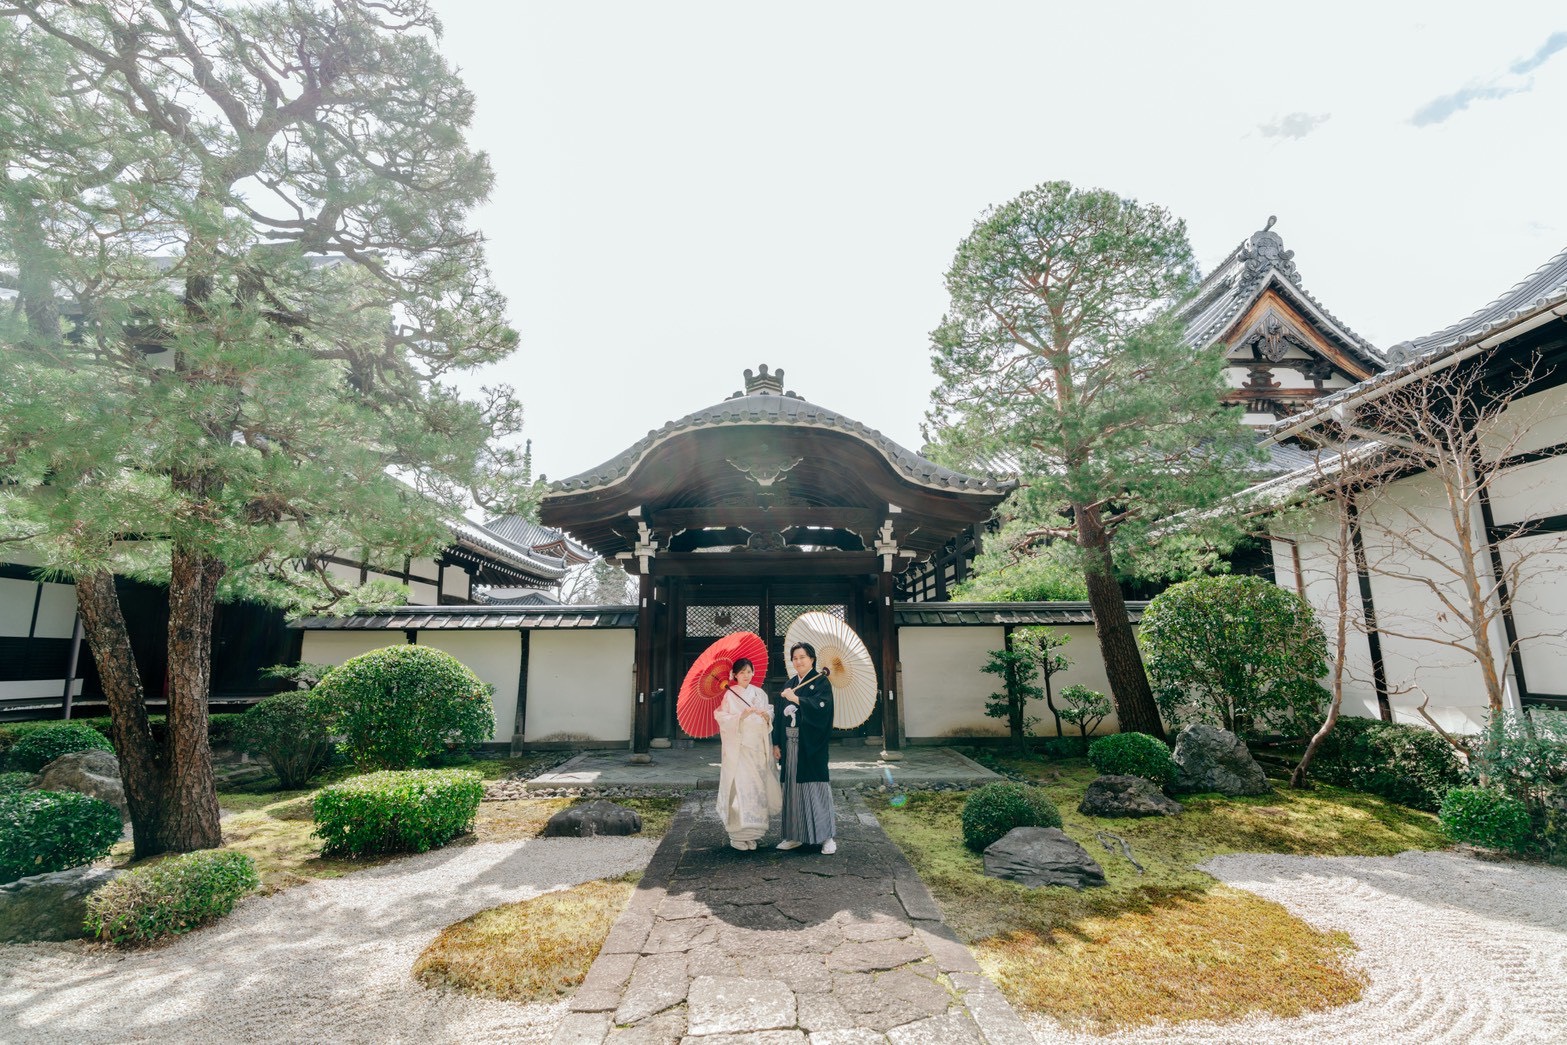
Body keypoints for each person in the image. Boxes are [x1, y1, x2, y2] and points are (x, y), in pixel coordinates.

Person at [772, 641, 836, 854]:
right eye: (795, 658)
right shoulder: (790, 683)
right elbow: (781, 716)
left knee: (815, 788)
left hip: (811, 745)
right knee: (791, 789)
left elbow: (823, 712)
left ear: (812, 659)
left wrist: (797, 699)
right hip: (790, 745)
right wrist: (777, 742)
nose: (798, 661)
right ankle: (794, 835)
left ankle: (826, 837)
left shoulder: (821, 683)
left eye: (802, 657)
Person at [713, 658, 781, 850]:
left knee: (756, 791)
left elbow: (769, 713)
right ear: (734, 675)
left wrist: (767, 716)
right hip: (740, 750)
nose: (746, 675)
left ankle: (752, 834)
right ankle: (737, 836)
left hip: (757, 749)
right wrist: (740, 716)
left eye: (749, 671)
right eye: (741, 672)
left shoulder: (759, 693)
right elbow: (722, 718)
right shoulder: (730, 695)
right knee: (740, 790)